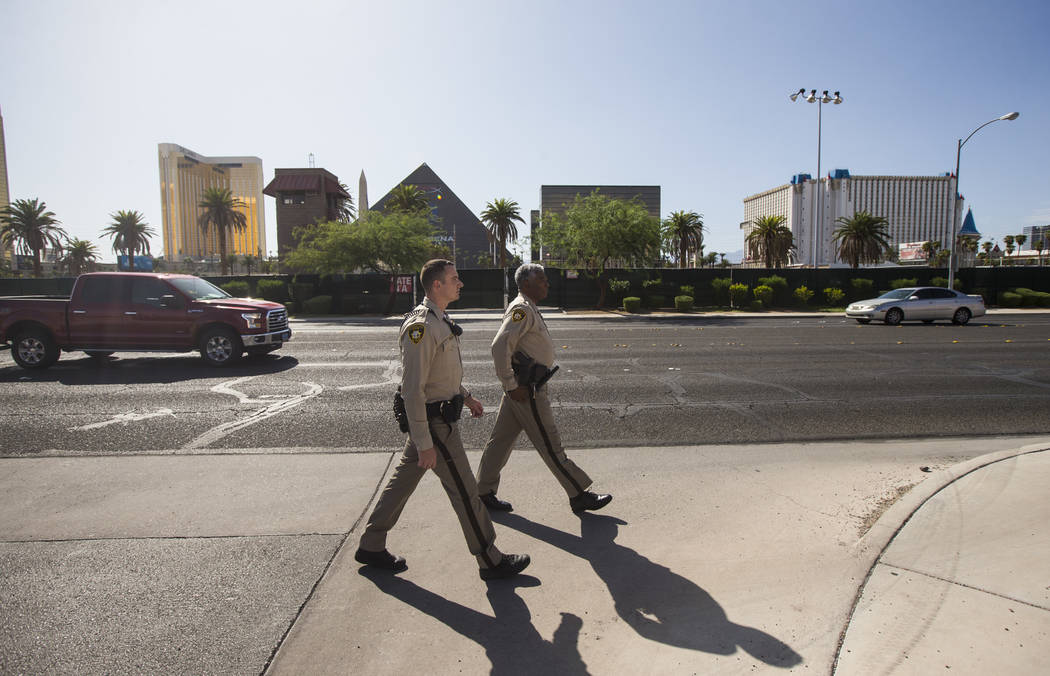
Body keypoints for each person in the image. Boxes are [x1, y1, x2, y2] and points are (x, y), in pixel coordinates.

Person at [355, 259, 530, 580]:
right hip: (435, 425)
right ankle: (490, 558)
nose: (460, 283)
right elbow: (412, 389)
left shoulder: (439, 320)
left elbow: (440, 374)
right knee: (466, 491)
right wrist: (424, 443)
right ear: (437, 285)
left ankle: (371, 543)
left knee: (401, 484)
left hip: (438, 417)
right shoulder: (421, 327)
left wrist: (465, 396)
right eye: (454, 278)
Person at [477, 263, 612, 514]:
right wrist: (511, 385)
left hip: (521, 388)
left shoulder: (528, 307)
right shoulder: (521, 309)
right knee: (550, 444)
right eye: (542, 279)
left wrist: (511, 386)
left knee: (500, 442)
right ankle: (578, 493)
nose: (547, 283)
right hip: (526, 390)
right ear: (526, 283)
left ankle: (483, 491)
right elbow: (499, 347)